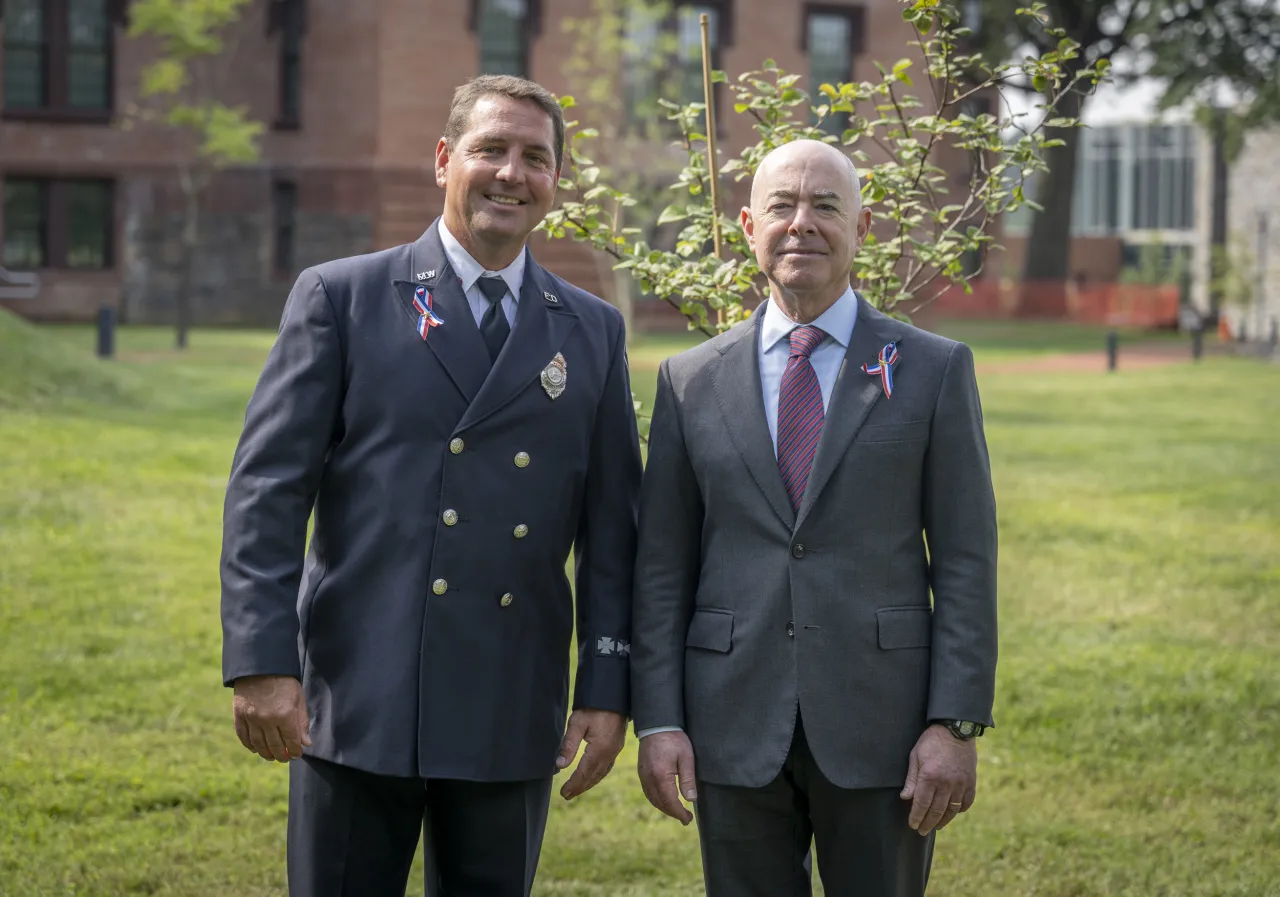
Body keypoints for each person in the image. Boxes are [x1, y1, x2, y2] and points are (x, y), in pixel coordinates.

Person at [219, 74, 642, 897]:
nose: (511, 173)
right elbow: (268, 491)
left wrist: (605, 683)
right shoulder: (342, 298)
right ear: (445, 159)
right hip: (357, 694)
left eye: (536, 158)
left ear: (557, 182)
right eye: (491, 150)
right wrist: (262, 661)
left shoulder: (592, 331)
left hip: (509, 699)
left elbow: (613, 531)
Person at [630, 138, 998, 897]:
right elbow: (663, 566)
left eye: (826, 206)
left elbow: (965, 559)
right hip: (731, 720)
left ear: (863, 229)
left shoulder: (932, 370)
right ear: (746, 227)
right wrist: (658, 718)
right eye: (782, 206)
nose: (802, 223)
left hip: (884, 727)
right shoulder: (690, 380)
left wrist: (954, 722)